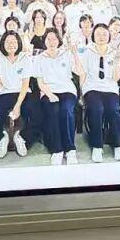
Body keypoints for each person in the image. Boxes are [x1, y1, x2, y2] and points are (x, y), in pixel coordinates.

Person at [0, 30, 34, 159]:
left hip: (23, 93)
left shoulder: (25, 58)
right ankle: (1, 137)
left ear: (19, 43)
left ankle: (22, 138)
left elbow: (25, 85)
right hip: (4, 93)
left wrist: (17, 106)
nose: (11, 44)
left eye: (14, 42)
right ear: (3, 44)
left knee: (37, 114)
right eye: (8, 42)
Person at [35, 28, 83, 165]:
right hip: (48, 91)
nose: (51, 42)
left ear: (59, 41)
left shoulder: (66, 54)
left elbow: (79, 71)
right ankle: (57, 150)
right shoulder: (39, 58)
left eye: (54, 39)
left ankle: (70, 149)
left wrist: (75, 53)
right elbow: (40, 82)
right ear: (44, 41)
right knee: (53, 111)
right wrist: (50, 95)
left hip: (67, 90)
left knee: (66, 110)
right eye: (48, 39)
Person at [80, 23, 120, 162]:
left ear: (109, 36)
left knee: (113, 110)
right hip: (92, 87)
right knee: (96, 109)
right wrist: (81, 93)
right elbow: (83, 74)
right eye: (98, 34)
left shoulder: (114, 52)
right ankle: (97, 146)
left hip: (110, 88)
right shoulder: (87, 52)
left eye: (104, 34)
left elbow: (116, 78)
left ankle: (117, 144)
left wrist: (117, 60)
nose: (101, 37)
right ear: (93, 36)